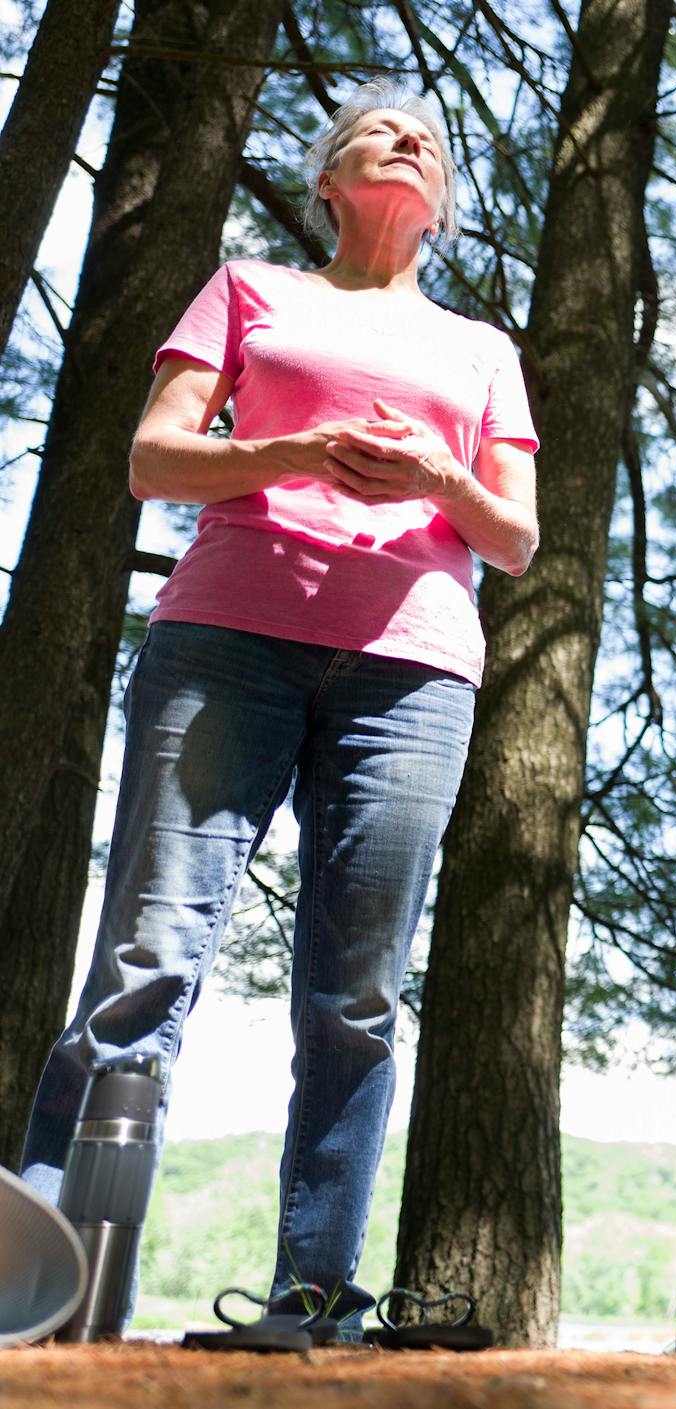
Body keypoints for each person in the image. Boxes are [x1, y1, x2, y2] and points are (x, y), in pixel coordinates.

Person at [18, 81, 538, 1334]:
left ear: (445, 203)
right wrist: (287, 455)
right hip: (226, 642)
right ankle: (58, 1289)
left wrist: (436, 474)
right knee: (146, 964)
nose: (406, 135)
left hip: (412, 672)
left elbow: (514, 538)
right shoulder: (253, 289)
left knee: (355, 997)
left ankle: (311, 1299)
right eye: (375, 128)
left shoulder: (484, 349)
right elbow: (152, 459)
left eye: (429, 135)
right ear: (326, 179)